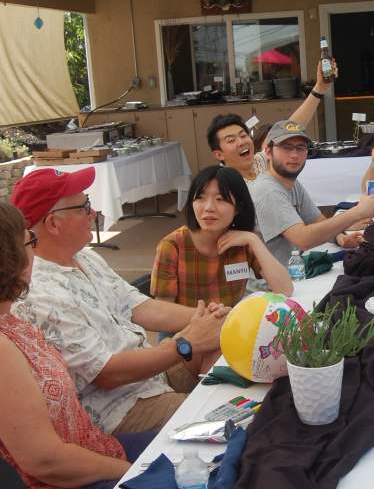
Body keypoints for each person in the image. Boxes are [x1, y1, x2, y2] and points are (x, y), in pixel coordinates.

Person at [10, 168, 229, 435]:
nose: (93, 214)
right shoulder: (41, 293)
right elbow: (107, 374)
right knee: (225, 417)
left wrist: (212, 319)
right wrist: (187, 343)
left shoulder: (84, 257)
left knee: (226, 342)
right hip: (120, 408)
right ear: (53, 223)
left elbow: (139, 306)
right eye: (85, 207)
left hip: (149, 376)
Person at [0, 202, 155, 489]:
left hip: (93, 450)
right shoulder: (2, 347)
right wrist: (130, 470)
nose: (36, 251)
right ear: (10, 258)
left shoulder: (10, 321)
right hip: (76, 476)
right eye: (30, 241)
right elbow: (46, 461)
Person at [151, 165, 293, 311]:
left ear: (238, 207)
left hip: (230, 327)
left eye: (220, 199)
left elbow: (285, 290)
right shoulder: (172, 246)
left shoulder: (243, 241)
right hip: (186, 330)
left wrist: (253, 240)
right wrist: (211, 320)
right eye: (200, 198)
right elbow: (163, 310)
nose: (209, 207)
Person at [252, 120, 374, 265]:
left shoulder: (291, 184)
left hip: (293, 272)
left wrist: (340, 238)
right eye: (286, 147)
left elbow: (318, 221)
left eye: (300, 147)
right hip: (272, 285)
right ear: (268, 152)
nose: (294, 155)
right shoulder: (268, 191)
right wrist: (356, 213)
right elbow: (303, 239)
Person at [207, 60, 337, 182]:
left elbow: (291, 127)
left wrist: (319, 88)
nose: (241, 142)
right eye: (231, 140)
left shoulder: (259, 163)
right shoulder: (222, 186)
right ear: (218, 154)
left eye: (243, 135)